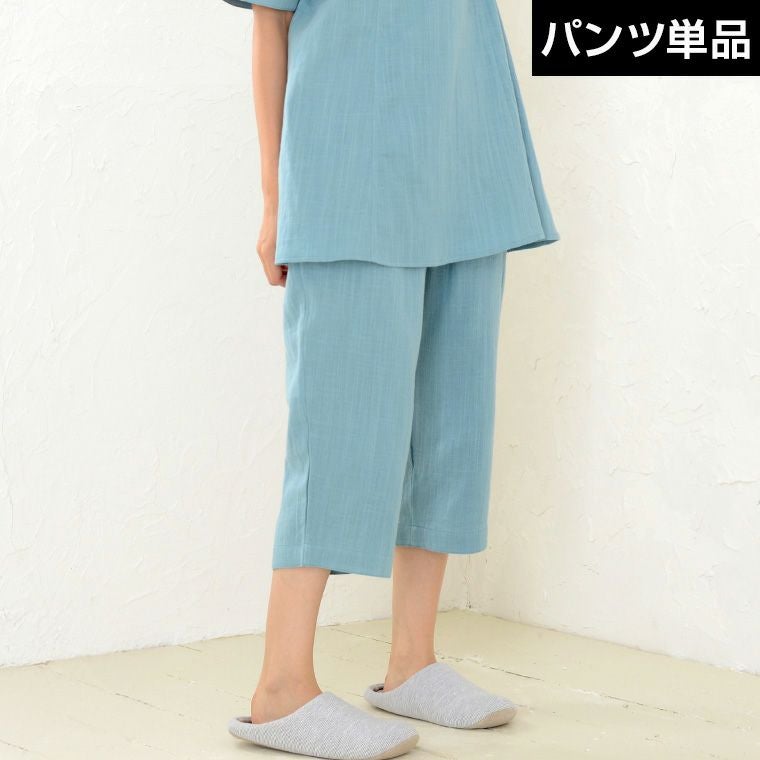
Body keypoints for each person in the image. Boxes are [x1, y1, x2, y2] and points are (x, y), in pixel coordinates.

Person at [222, 1, 560, 758]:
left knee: (451, 422)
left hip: (468, 167)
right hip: (348, 174)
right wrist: (276, 199)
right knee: (340, 429)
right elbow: (270, 24)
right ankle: (281, 688)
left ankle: (413, 662)